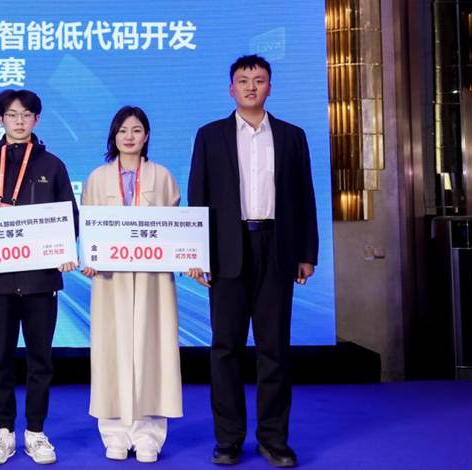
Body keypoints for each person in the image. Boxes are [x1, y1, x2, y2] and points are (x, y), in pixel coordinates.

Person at [187, 55, 318, 468]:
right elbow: (198, 197)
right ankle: (228, 440)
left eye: (258, 80)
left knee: (274, 349)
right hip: (227, 249)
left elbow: (305, 196)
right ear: (231, 88)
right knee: (225, 348)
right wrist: (197, 253)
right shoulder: (210, 136)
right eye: (242, 80)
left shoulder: (292, 136)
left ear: (269, 87)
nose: (250, 87)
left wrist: (307, 253)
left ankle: (274, 439)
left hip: (277, 247)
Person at [0, 89, 79, 466]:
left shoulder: (53, 164)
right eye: (11, 114)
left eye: (26, 114)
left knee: (41, 361)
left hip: (41, 281)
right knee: (0, 360)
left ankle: (35, 432)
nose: (19, 121)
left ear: (36, 119)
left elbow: (68, 217)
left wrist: (63, 251)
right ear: (0, 119)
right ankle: (4, 431)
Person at [80, 106, 183, 463]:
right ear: (114, 135)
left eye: (136, 130)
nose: (129, 136)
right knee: (112, 349)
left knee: (153, 349)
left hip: (154, 280)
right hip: (111, 280)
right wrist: (90, 258)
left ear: (146, 136)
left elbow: (178, 229)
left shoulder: (163, 177)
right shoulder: (97, 178)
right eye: (123, 130)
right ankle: (115, 433)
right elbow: (89, 228)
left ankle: (149, 434)